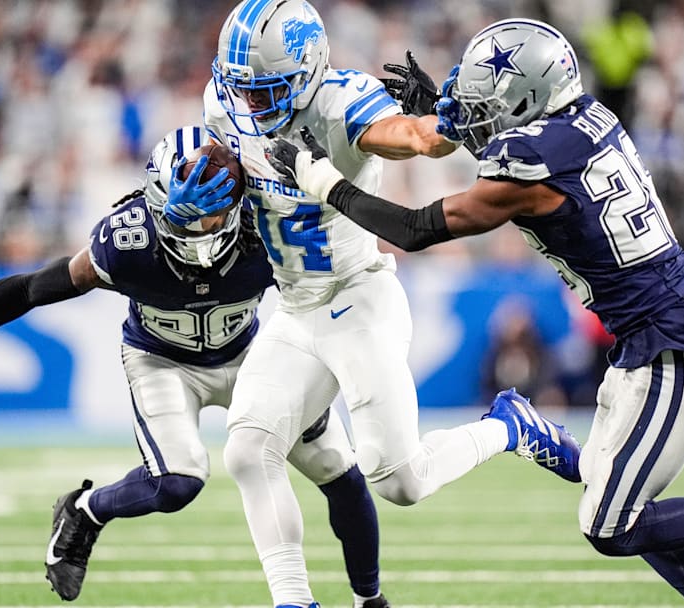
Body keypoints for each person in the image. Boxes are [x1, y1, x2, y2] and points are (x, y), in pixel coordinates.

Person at [268, 18, 684, 608]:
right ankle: (532, 432)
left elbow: (415, 230)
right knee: (611, 495)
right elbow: (524, 160)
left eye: (488, 101)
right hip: (656, 326)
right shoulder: (585, 116)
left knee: (612, 523)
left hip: (671, 342)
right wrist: (446, 108)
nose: (476, 109)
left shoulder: (531, 162)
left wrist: (325, 182)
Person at [0, 126, 390, 607]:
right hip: (162, 362)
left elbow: (331, 296)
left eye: (211, 216)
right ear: (155, 204)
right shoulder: (126, 241)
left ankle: (370, 600)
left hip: (253, 354)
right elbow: (30, 289)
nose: (201, 232)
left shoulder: (265, 228)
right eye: (186, 217)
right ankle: (86, 509)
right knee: (178, 481)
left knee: (337, 470)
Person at [167, 3, 582, 607]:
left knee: (399, 480)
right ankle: (294, 601)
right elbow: (230, 173)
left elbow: (415, 138)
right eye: (243, 90)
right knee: (248, 448)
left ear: (307, 70)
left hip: (357, 297)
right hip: (293, 306)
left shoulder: (339, 102)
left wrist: (441, 119)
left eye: (266, 91)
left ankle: (507, 426)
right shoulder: (224, 103)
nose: (251, 106)